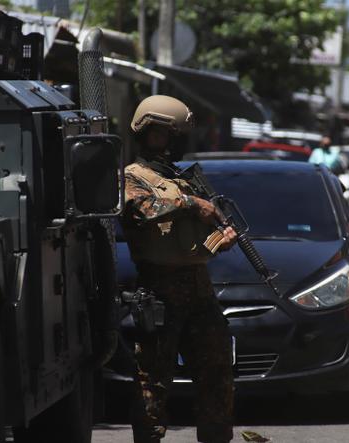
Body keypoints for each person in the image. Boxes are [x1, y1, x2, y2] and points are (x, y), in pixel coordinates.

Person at [122, 95, 238, 443]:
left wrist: (219, 238)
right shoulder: (133, 176)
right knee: (152, 379)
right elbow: (140, 209)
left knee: (217, 369)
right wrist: (191, 204)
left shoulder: (179, 178)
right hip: (160, 289)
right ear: (142, 134)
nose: (165, 142)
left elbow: (190, 239)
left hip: (199, 287)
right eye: (158, 135)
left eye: (169, 135)